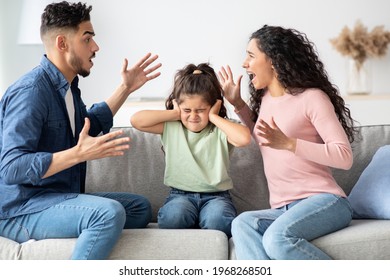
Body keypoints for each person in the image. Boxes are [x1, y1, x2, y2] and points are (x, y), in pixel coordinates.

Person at [0, 1, 162, 260]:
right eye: (88, 39)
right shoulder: (31, 92)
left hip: (56, 198)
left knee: (139, 208)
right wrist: (77, 154)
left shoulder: (67, 88)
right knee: (107, 213)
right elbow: (11, 167)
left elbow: (88, 124)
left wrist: (126, 89)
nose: (96, 47)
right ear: (62, 43)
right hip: (20, 209)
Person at [219, 25, 357, 259]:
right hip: (283, 208)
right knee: (243, 223)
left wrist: (291, 144)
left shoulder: (312, 98)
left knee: (276, 238)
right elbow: (265, 138)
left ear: (272, 60)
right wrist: (239, 105)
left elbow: (344, 157)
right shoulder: (266, 100)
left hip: (325, 202)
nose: (245, 63)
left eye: (251, 56)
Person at [130, 63, 251, 237]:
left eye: (201, 110)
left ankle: (201, 220)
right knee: (173, 218)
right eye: (187, 110)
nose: (193, 116)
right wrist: (174, 114)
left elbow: (244, 138)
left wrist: (214, 117)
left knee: (218, 220)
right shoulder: (172, 127)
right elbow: (136, 120)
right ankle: (194, 220)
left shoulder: (220, 129)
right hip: (180, 195)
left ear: (213, 106)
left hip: (216, 197)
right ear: (178, 106)